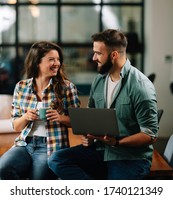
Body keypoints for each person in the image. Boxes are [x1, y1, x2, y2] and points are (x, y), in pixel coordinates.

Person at [48, 29, 159, 180]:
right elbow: (92, 116)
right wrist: (89, 136)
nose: (94, 58)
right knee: (56, 160)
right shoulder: (99, 80)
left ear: (114, 55)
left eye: (98, 53)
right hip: (100, 150)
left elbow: (150, 135)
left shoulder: (140, 86)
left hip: (129, 158)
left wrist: (117, 142)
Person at [0, 41, 80, 180]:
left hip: (51, 145)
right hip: (24, 144)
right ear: (37, 62)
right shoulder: (21, 86)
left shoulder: (66, 87)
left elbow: (79, 122)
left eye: (58, 59)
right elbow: (16, 125)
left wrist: (59, 117)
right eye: (51, 59)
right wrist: (26, 117)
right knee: (3, 169)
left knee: (38, 181)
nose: (57, 63)